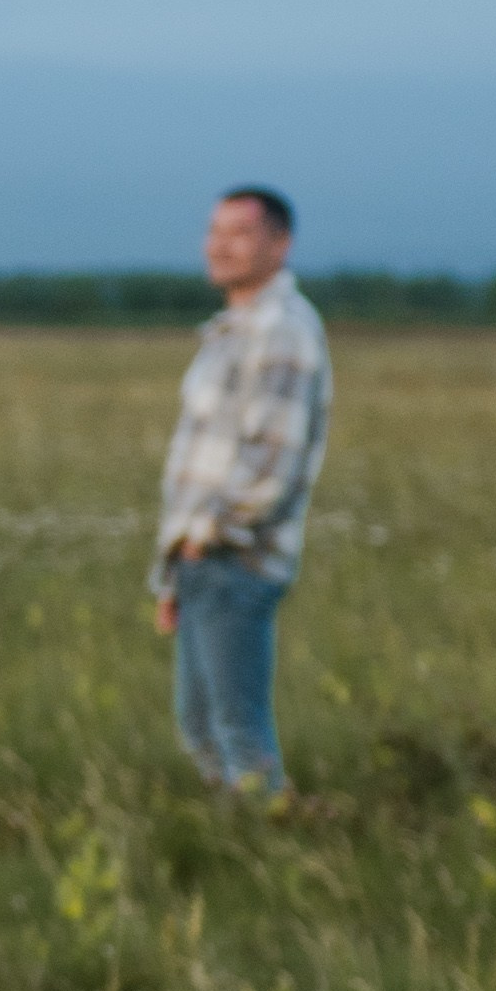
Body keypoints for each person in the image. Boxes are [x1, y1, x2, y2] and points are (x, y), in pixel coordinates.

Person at [151, 186, 332, 800]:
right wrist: (176, 567)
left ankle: (271, 844)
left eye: (239, 233)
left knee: (237, 731)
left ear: (280, 244)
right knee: (201, 726)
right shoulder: (234, 329)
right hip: (204, 561)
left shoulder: (282, 332)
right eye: (214, 231)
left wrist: (207, 540)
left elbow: (269, 467)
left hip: (236, 560)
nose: (220, 246)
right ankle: (237, 843)